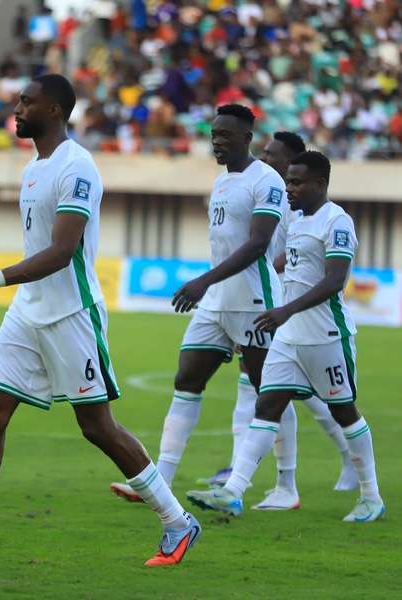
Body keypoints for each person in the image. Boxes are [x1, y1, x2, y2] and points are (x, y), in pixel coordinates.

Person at [0, 75, 200, 567]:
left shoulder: (77, 167)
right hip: (28, 312)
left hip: (71, 313)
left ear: (54, 110)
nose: (16, 109)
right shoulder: (35, 166)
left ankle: (178, 521)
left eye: (26, 102)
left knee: (97, 427)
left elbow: (62, 251)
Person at [186, 151, 385, 523]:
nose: (289, 187)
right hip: (289, 339)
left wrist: (286, 310)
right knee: (266, 407)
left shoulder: (337, 221)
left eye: (297, 182)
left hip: (326, 335)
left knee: (344, 412)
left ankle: (371, 496)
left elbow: (334, 281)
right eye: (288, 180)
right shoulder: (297, 222)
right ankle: (233, 491)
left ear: (320, 184)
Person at [130, 105, 288, 495]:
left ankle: (257, 485)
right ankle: (161, 482)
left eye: (225, 135)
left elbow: (258, 244)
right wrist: (209, 285)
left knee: (267, 393)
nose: (216, 141)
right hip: (217, 300)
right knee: (187, 379)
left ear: (247, 138)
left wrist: (203, 281)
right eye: (214, 134)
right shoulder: (221, 181)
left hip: (254, 300)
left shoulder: (266, 180)